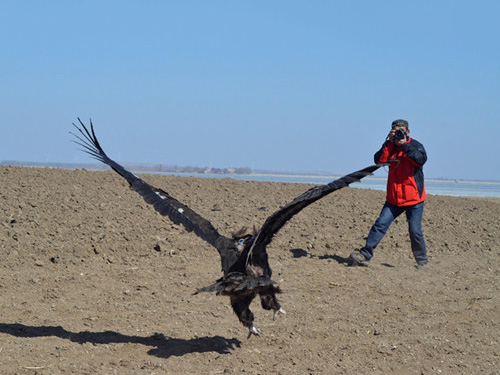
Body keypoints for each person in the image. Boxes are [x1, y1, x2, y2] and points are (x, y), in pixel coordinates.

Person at [349, 119, 428, 269]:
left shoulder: (416, 146)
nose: (399, 134)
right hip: (394, 198)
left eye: (402, 131)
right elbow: (378, 161)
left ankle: (422, 262)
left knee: (415, 231)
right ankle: (365, 256)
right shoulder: (390, 146)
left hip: (414, 199)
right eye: (396, 131)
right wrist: (389, 143)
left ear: (408, 132)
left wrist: (404, 144)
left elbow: (420, 160)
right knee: (380, 225)